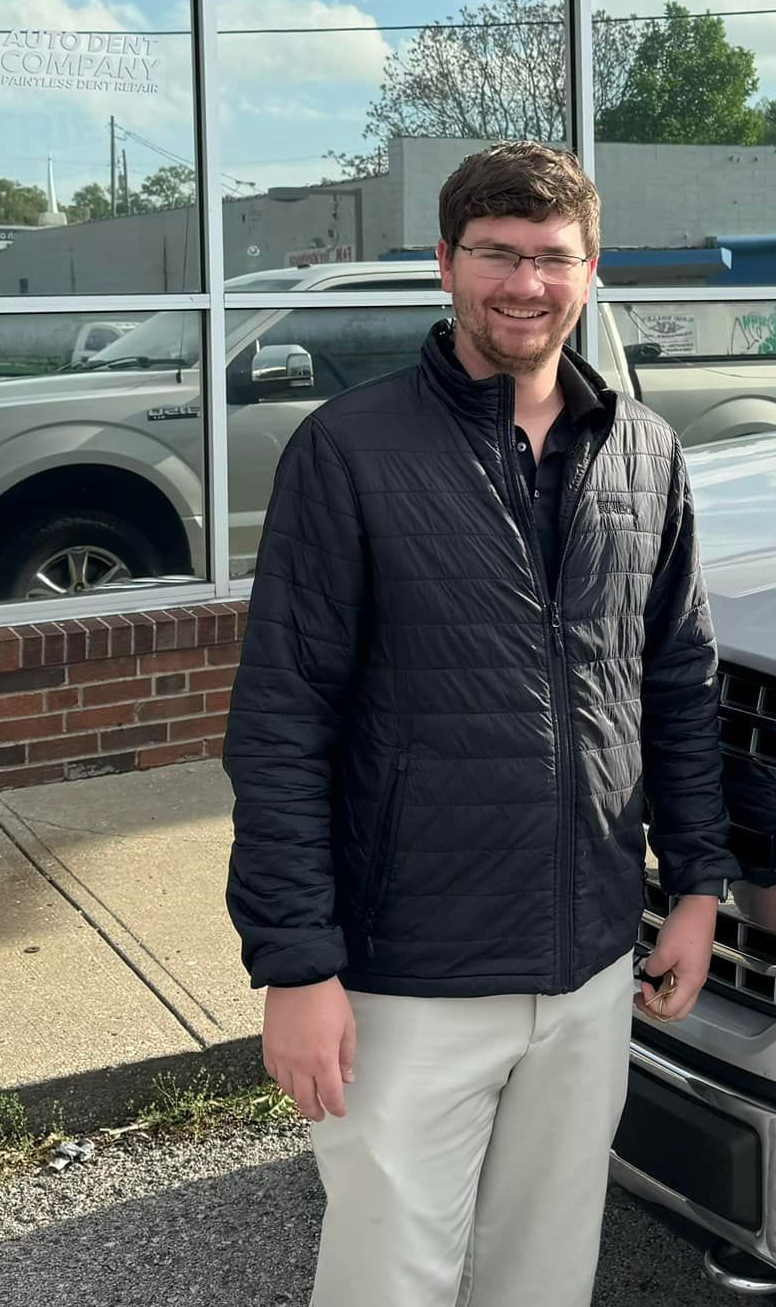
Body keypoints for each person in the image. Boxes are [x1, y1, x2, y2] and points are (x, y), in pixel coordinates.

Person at [223, 141, 736, 1307]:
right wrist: (296, 963)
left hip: (591, 961)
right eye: (495, 253)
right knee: (389, 1279)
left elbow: (677, 682)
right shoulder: (349, 451)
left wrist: (696, 883)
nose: (524, 282)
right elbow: (282, 719)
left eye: (550, 256)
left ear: (589, 270)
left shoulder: (643, 452)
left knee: (544, 1274)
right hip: (410, 971)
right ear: (445, 265)